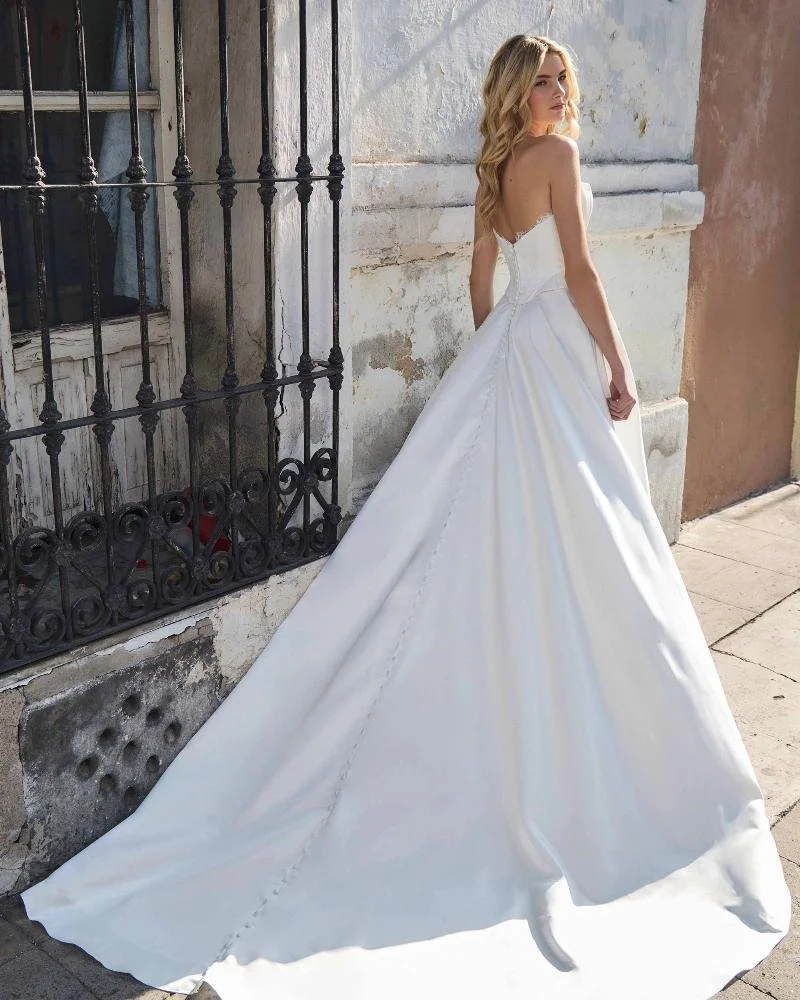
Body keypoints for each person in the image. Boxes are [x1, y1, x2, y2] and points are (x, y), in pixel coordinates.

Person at [21, 32, 791, 1000]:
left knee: (499, 520)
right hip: (557, 345)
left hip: (512, 346)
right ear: (516, 93)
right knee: (584, 529)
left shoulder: (495, 168)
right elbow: (583, 275)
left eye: (563, 77)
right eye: (542, 81)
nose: (558, 91)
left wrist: (497, 353)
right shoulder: (554, 158)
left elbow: (481, 279)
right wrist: (618, 366)